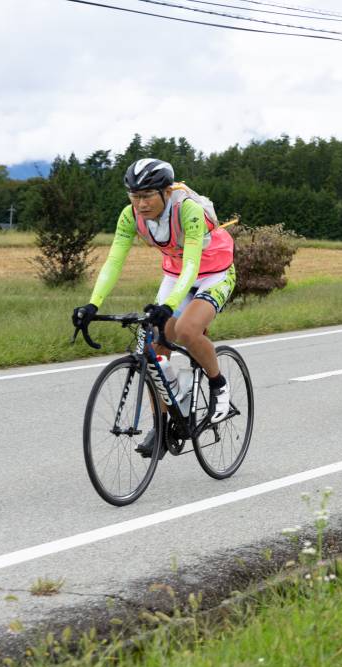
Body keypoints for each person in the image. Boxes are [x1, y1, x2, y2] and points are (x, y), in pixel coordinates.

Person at [71, 158, 237, 457]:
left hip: (214, 272)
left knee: (186, 330)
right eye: (134, 196)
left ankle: (218, 385)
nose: (141, 203)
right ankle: (161, 425)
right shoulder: (129, 216)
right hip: (176, 275)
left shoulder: (188, 209)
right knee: (154, 343)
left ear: (166, 191)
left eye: (147, 195)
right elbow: (114, 261)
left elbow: (193, 262)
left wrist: (170, 305)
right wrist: (93, 304)